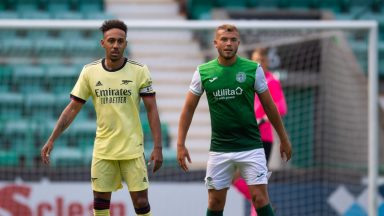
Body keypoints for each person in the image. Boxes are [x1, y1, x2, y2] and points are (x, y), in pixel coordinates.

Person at [41, 19, 163, 216]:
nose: (115, 45)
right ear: (103, 43)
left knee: (141, 202)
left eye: (120, 41)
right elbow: (72, 109)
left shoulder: (139, 71)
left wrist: (157, 147)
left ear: (125, 44)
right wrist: (52, 138)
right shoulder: (90, 72)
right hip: (103, 150)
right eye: (111, 40)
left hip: (132, 149)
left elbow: (152, 109)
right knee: (100, 204)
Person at [177, 24, 292, 216]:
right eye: (224, 39)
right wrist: (180, 144)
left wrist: (284, 138)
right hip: (220, 149)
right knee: (215, 202)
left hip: (251, 147)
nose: (228, 43)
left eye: (232, 40)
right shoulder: (203, 72)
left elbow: (271, 107)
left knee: (260, 198)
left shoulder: (253, 69)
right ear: (215, 43)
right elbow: (188, 109)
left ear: (238, 43)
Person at [232, 47, 288, 216]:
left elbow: (281, 107)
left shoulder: (271, 81)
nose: (259, 64)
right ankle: (265, 205)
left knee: (254, 182)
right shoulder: (247, 80)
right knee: (233, 177)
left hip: (263, 138)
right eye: (256, 60)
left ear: (267, 62)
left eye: (262, 61)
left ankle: (262, 206)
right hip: (245, 137)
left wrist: (263, 118)